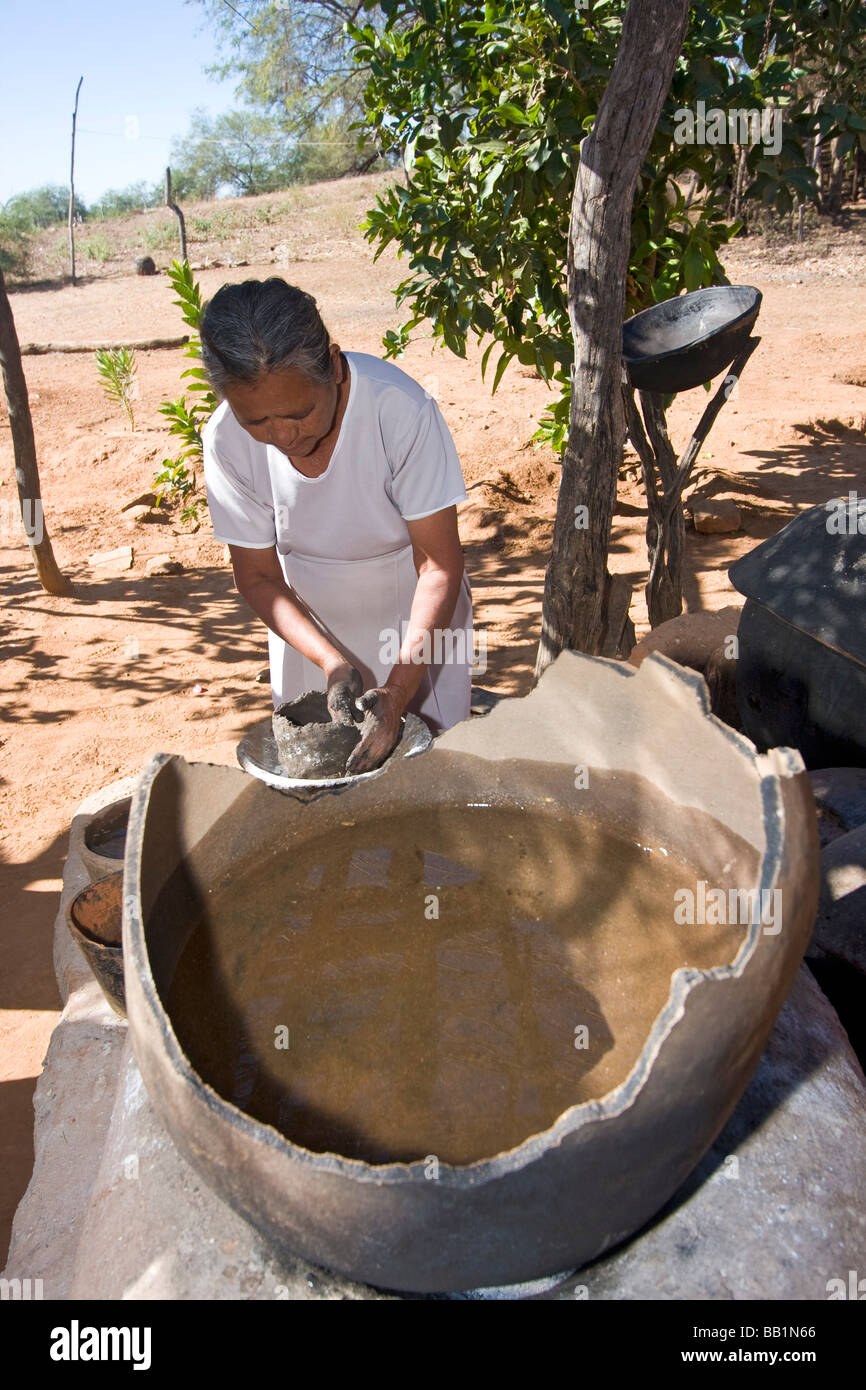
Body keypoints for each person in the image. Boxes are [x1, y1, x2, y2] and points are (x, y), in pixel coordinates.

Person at [200, 278, 475, 774]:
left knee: (424, 786)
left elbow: (437, 566)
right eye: (256, 422)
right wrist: (331, 662)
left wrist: (397, 690)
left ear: (331, 363)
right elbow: (258, 577)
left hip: (414, 626)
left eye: (298, 413)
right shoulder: (224, 441)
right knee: (321, 791)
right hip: (306, 630)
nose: (282, 436)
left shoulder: (399, 412)